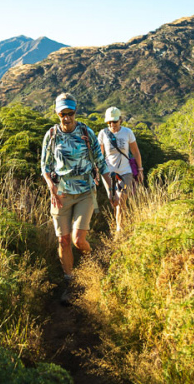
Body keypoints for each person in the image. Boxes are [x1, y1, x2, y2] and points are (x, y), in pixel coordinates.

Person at [41, 93, 116, 304]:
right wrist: (51, 188)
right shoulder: (51, 135)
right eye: (62, 114)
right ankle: (70, 281)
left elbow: (101, 163)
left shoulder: (86, 133)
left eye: (70, 113)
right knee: (63, 240)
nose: (67, 118)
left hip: (84, 191)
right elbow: (45, 167)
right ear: (57, 113)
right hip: (61, 194)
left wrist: (111, 190)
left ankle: (92, 262)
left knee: (78, 240)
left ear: (75, 112)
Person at [97, 107, 144, 234]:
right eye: (109, 122)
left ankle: (119, 230)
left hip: (125, 171)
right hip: (108, 172)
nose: (112, 124)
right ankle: (119, 222)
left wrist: (140, 170)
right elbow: (100, 155)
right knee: (113, 200)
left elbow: (135, 152)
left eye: (115, 121)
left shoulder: (127, 132)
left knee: (121, 198)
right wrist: (96, 171)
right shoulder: (103, 134)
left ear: (120, 120)